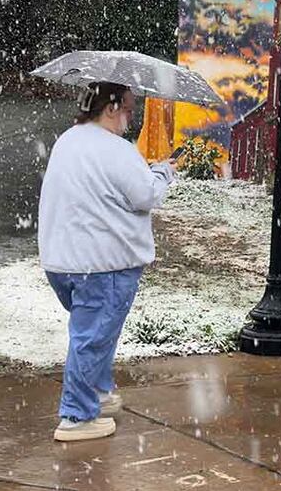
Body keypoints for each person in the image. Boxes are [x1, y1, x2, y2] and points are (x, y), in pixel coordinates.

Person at [36, 81, 176, 442]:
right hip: (104, 263)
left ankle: (97, 392)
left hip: (62, 261)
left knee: (95, 332)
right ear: (111, 108)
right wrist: (162, 172)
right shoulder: (117, 149)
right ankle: (77, 417)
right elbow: (145, 196)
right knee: (93, 337)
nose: (131, 116)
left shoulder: (68, 140)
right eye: (128, 108)